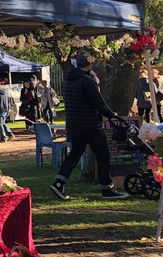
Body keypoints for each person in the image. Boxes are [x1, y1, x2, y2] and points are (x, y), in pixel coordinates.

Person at [50, 54, 126, 200]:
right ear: (90, 65)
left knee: (75, 154)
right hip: (90, 124)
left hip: (74, 123)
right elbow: (99, 103)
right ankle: (106, 186)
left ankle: (59, 182)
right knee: (102, 154)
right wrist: (112, 114)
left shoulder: (67, 80)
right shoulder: (87, 82)